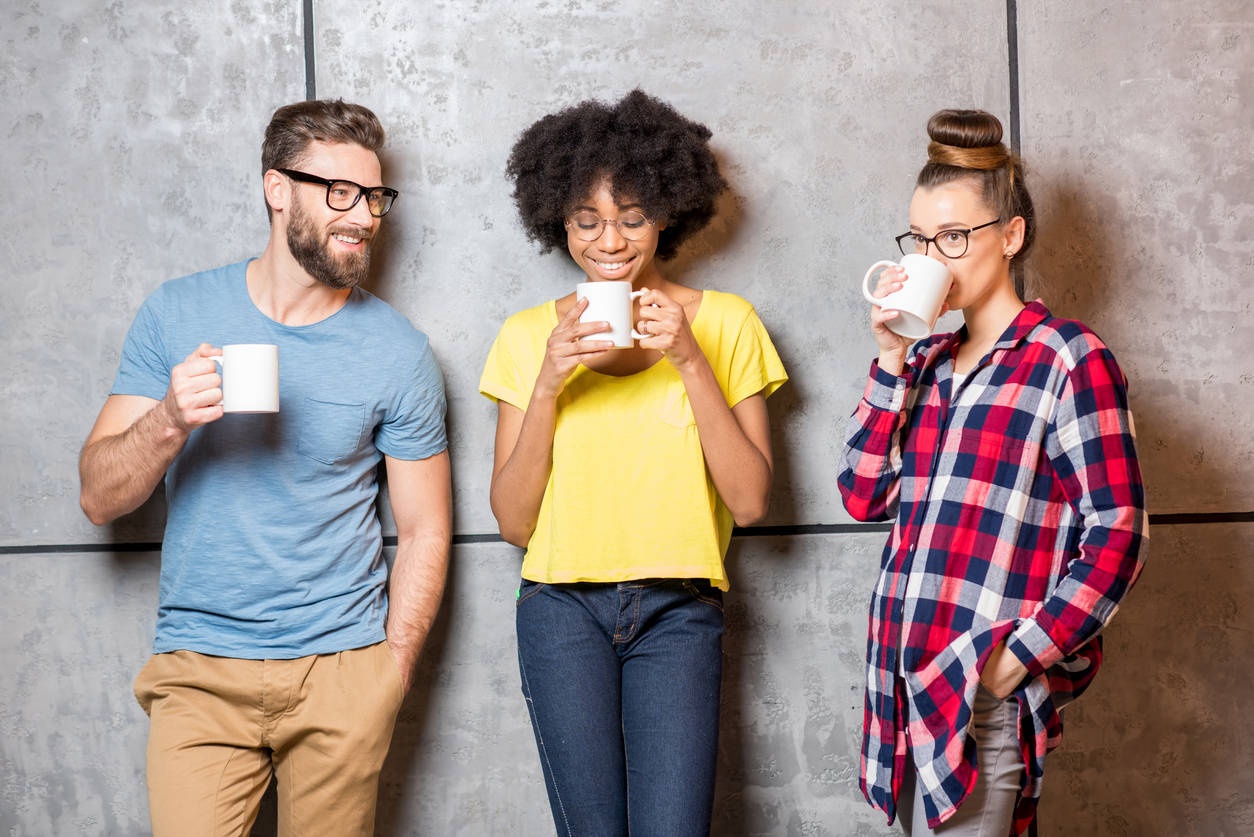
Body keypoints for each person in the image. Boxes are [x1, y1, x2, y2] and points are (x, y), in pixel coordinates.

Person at [78, 99, 451, 837]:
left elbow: (426, 527)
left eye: (374, 197)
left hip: (342, 670)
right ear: (276, 189)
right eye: (339, 192)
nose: (365, 215)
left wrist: (389, 673)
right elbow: (97, 496)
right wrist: (168, 419)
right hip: (200, 668)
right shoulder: (176, 312)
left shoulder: (398, 350)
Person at [479, 89, 788, 836]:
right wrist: (550, 382)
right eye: (586, 220)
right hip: (559, 612)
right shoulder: (526, 338)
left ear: (667, 214)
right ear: (558, 218)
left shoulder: (727, 324)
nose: (608, 242)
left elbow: (749, 503)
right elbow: (515, 523)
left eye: (631, 218)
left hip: (679, 612)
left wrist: (687, 357)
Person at [838, 109, 1147, 836]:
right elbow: (860, 495)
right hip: (903, 690)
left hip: (979, 695)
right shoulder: (921, 365)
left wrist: (1013, 660)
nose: (932, 258)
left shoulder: (1069, 358)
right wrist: (888, 359)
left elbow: (1118, 535)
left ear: (1009, 236)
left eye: (952, 237)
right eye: (919, 239)